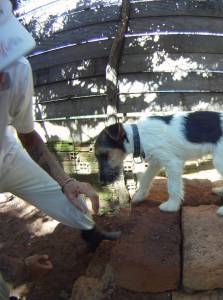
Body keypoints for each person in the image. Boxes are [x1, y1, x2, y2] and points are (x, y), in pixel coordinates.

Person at [0, 0, 120, 297]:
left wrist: (66, 181)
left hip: (8, 155)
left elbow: (28, 136)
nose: (3, 77)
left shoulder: (16, 70)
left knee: (70, 200)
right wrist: (16, 268)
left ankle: (93, 236)